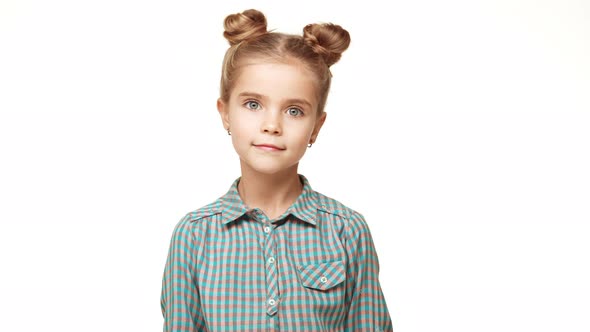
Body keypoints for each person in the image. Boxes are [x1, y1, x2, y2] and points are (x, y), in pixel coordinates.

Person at [160, 8, 393, 331]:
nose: (272, 125)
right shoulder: (194, 235)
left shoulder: (347, 231)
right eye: (253, 104)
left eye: (294, 110)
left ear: (316, 127)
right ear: (225, 112)